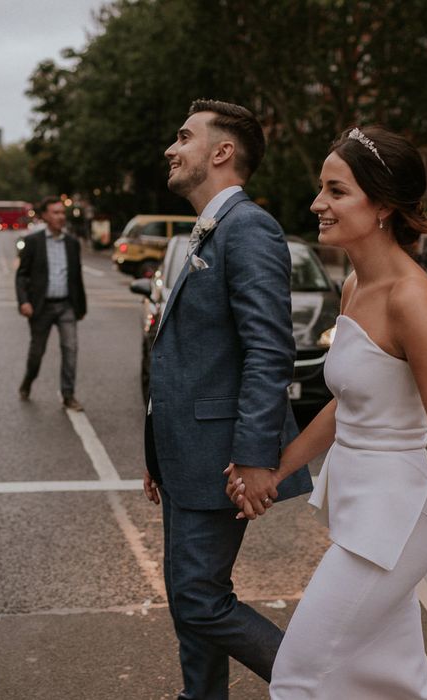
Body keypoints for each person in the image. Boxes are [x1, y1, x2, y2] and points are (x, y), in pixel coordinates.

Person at [227, 126, 427, 699]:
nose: (318, 203)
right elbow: (348, 404)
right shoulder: (354, 286)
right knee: (399, 683)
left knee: (297, 677)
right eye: (321, 188)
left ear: (383, 207)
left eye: (336, 190)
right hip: (360, 509)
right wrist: (275, 469)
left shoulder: (410, 298)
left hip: (392, 522)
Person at [142, 99, 313, 700]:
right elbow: (194, 354)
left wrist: (253, 456)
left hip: (221, 456)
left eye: (183, 137)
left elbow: (270, 352)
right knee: (191, 600)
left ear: (221, 152)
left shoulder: (249, 227)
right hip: (188, 453)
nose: (171, 147)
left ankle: (324, 685)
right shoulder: (209, 227)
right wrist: (157, 451)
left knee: (198, 598)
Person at [15, 196, 87, 410]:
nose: (60, 217)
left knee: (70, 349)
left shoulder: (72, 243)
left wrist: (80, 307)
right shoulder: (33, 242)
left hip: (66, 306)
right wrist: (24, 302)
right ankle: (28, 381)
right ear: (45, 216)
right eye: (55, 213)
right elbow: (21, 275)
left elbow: (76, 277)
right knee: (37, 352)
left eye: (62, 213)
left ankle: (68, 394)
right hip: (41, 306)